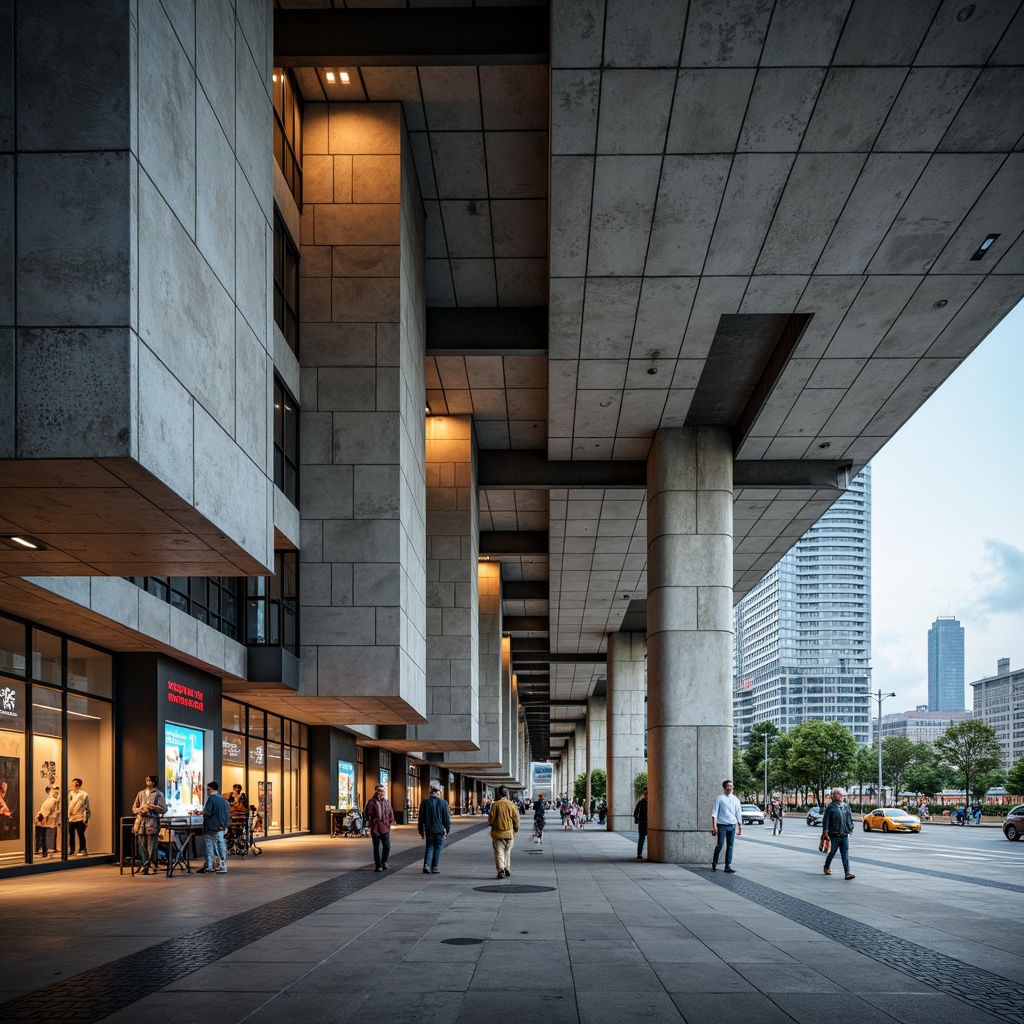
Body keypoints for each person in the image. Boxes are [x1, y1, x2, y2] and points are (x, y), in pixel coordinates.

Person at [131, 774, 167, 874]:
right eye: (147, 780)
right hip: (141, 823)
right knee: (141, 845)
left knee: (152, 845)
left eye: (150, 781)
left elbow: (163, 809)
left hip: (152, 823)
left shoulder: (158, 794)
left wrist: (153, 807)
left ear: (154, 782)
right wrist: (140, 809)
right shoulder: (141, 793)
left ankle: (152, 863)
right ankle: (144, 864)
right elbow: (134, 808)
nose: (148, 782)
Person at [822, 787, 855, 880]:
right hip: (834, 835)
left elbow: (849, 819)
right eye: (841, 795)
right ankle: (826, 867)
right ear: (835, 796)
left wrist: (850, 828)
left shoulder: (846, 806)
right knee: (832, 852)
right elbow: (826, 820)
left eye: (844, 795)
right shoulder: (831, 807)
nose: (843, 796)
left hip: (844, 835)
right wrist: (825, 831)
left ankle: (847, 872)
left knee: (845, 854)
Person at [418, 780, 451, 874]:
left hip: (429, 830)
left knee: (429, 847)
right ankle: (434, 867)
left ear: (430, 790)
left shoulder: (425, 802)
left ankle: (426, 865)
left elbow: (421, 818)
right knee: (438, 848)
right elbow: (446, 818)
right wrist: (447, 829)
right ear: (438, 792)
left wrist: (421, 830)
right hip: (439, 830)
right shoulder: (443, 803)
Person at [198, 781, 231, 874]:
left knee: (210, 845)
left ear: (212, 789)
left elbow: (207, 812)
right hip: (220, 826)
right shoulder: (223, 800)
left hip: (211, 826)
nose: (207, 792)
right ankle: (222, 863)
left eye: (208, 789)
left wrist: (198, 812)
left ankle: (210, 865)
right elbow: (227, 814)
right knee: (220, 844)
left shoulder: (211, 800)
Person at [711, 779, 743, 873]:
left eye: (731, 786)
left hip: (732, 825)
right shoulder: (720, 798)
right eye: (728, 786)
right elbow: (714, 813)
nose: (730, 788)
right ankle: (714, 863)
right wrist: (714, 826)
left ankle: (727, 866)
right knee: (720, 845)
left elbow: (738, 813)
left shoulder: (735, 799)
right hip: (722, 825)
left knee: (730, 846)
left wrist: (739, 826)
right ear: (725, 787)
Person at [488, 785, 520, 878]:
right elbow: (516, 819)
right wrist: (516, 829)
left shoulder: (495, 804)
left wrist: (492, 823)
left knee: (499, 852)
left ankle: (501, 870)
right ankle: (507, 868)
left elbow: (491, 820)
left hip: (498, 833)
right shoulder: (511, 804)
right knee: (507, 851)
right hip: (509, 833)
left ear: (499, 793)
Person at [364, 783, 396, 872]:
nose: (382, 792)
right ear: (376, 791)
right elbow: (367, 813)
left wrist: (390, 822)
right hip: (375, 827)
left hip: (385, 827)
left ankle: (383, 861)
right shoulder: (371, 802)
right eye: (380, 791)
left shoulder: (386, 802)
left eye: (383, 790)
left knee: (387, 846)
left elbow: (390, 813)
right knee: (376, 847)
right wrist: (368, 822)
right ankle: (378, 866)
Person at [35, 784, 60, 858]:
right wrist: (39, 814)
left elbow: (49, 809)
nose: (54, 791)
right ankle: (43, 850)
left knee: (47, 836)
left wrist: (42, 814)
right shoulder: (49, 799)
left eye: (55, 789)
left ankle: (46, 850)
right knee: (43, 836)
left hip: (48, 820)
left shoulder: (54, 800)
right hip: (44, 820)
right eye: (53, 789)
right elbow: (44, 808)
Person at [67, 778, 91, 856]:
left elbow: (86, 808)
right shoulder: (70, 794)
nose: (74, 785)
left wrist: (86, 819)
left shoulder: (84, 794)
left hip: (79, 817)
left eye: (76, 783)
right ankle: (72, 849)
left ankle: (82, 849)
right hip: (71, 817)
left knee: (81, 834)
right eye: (73, 783)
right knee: (71, 835)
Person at [633, 787, 648, 860]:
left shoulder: (642, 802)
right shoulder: (642, 803)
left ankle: (641, 853)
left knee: (643, 838)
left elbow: (635, 813)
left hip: (645, 822)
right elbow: (635, 813)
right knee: (642, 838)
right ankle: (640, 853)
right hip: (645, 822)